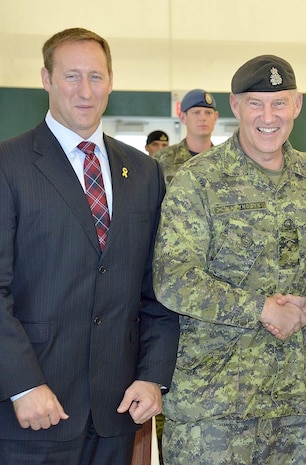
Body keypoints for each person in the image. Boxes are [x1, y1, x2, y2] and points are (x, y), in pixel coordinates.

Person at [152, 54, 306, 465]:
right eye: (256, 103)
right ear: (236, 105)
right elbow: (173, 278)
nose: (269, 115)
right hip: (211, 402)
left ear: (297, 105)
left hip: (290, 398)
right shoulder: (198, 180)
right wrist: (260, 309)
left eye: (279, 103)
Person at [0, 27, 179, 465]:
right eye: (72, 76)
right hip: (34, 410)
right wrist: (22, 384)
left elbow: (157, 289)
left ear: (111, 81)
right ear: (46, 79)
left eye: (96, 77)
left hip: (117, 410)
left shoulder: (144, 172)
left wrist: (152, 376)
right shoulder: (9, 165)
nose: (85, 91)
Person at [153, 88, 218, 183]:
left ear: (215, 117)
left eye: (208, 113)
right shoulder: (161, 160)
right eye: (196, 113)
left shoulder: (227, 162)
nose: (203, 118)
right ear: (183, 117)